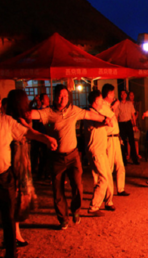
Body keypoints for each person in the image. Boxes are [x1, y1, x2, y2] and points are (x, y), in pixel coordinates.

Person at [31, 84, 113, 230]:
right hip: (56, 158)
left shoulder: (73, 110)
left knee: (77, 186)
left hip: (73, 156)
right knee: (58, 190)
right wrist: (18, 111)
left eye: (66, 96)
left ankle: (75, 211)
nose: (63, 99)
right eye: (60, 96)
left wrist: (104, 118)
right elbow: (33, 115)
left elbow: (88, 114)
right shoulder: (48, 112)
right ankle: (63, 219)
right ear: (55, 97)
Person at [1, 90, 57, 258]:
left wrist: (45, 138)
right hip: (11, 169)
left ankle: (11, 256)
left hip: (4, 175)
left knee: (9, 216)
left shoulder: (5, 121)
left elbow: (28, 132)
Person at [85, 90, 114, 216]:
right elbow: (102, 122)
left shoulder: (97, 112)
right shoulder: (90, 114)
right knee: (103, 178)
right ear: (96, 101)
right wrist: (107, 120)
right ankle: (94, 206)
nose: (103, 101)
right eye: (101, 99)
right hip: (96, 151)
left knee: (108, 175)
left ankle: (108, 201)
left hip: (101, 150)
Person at [102, 85, 129, 197]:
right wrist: (114, 107)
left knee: (120, 165)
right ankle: (106, 191)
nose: (114, 96)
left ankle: (120, 188)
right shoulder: (103, 105)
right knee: (109, 167)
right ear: (108, 94)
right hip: (108, 138)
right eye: (112, 93)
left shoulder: (109, 105)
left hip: (116, 137)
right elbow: (108, 116)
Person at [117, 89, 139, 165]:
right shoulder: (118, 104)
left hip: (129, 123)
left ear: (126, 95)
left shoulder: (130, 104)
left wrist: (135, 125)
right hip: (121, 124)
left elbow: (133, 115)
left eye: (124, 94)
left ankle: (135, 159)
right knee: (122, 142)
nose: (122, 95)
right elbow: (116, 116)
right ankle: (124, 160)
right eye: (121, 94)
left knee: (132, 141)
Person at [128, 91, 142, 162]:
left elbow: (137, 113)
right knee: (129, 140)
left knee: (136, 140)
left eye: (132, 95)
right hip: (129, 122)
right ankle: (128, 154)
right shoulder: (127, 104)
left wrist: (134, 121)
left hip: (135, 123)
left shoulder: (136, 104)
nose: (131, 97)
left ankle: (137, 153)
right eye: (130, 95)